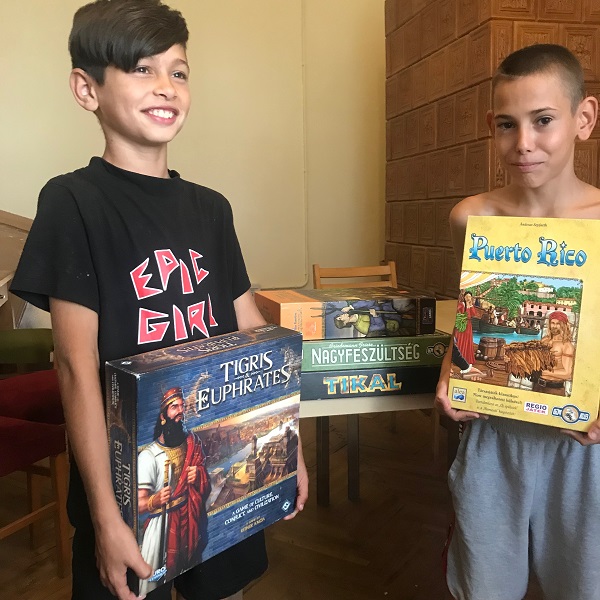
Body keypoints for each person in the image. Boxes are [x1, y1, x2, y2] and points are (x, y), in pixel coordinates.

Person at [9, 2, 308, 599]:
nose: (166, 86)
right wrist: (105, 517)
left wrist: (286, 439)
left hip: (210, 463)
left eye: (179, 71)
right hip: (124, 478)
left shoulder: (211, 208)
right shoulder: (73, 203)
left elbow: (249, 327)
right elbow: (74, 367)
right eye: (142, 69)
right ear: (86, 89)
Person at [435, 43, 600, 600]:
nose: (523, 142)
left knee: (584, 584)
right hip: (493, 437)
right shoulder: (472, 217)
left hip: (582, 449)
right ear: (492, 126)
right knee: (485, 584)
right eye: (508, 124)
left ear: (584, 119)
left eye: (543, 120)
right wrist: (449, 373)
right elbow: (468, 315)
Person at [138, 388, 210, 597]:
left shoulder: (191, 443)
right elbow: (137, 504)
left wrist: (199, 475)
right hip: (161, 525)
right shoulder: (149, 456)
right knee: (153, 585)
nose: (180, 411)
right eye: (174, 407)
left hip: (188, 519)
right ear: (163, 416)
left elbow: (205, 480)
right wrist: (154, 500)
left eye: (182, 406)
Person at [533, 310, 575, 395]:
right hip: (537, 386)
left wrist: (543, 372)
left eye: (558, 324)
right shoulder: (544, 340)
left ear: (563, 325)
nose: (554, 326)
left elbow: (567, 374)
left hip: (554, 389)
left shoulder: (567, 345)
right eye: (552, 323)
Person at [454, 291, 476, 365]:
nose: (468, 298)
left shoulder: (470, 305)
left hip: (468, 325)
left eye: (469, 297)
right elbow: (461, 313)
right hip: (462, 325)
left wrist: (470, 305)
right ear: (464, 297)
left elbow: (473, 314)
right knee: (460, 340)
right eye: (467, 296)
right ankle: (458, 359)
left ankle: (467, 359)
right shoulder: (462, 304)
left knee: (467, 341)